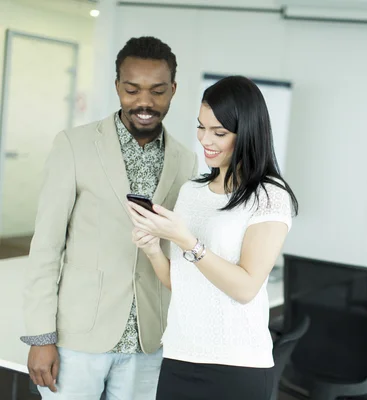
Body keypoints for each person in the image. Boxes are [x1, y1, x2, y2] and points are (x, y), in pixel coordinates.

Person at [21, 36, 197, 399]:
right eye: (132, 90)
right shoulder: (74, 145)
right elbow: (47, 247)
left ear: (173, 90)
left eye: (157, 91)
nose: (144, 102)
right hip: (78, 337)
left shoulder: (186, 160)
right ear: (117, 86)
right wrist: (41, 337)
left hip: (150, 340)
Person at [127, 75, 298, 400]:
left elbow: (246, 288)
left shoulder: (269, 196)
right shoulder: (192, 192)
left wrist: (189, 242)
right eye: (201, 127)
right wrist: (152, 248)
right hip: (180, 355)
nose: (206, 139)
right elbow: (181, 282)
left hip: (237, 365)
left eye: (219, 132)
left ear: (247, 132)